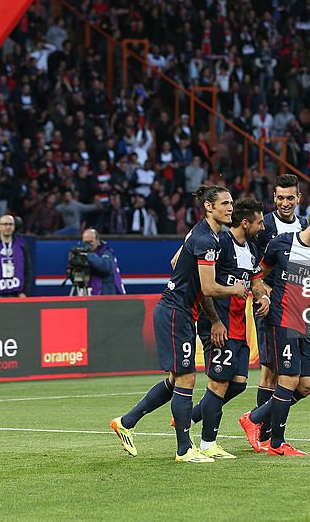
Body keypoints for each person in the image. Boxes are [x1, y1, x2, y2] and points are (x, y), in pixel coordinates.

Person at [110, 185, 249, 463]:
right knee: (186, 378)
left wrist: (199, 298)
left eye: (231, 203)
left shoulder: (204, 235)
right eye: (224, 203)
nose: (230, 208)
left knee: (176, 380)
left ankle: (126, 421)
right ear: (209, 207)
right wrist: (233, 290)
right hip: (176, 312)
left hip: (182, 311)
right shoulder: (207, 240)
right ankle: (184, 449)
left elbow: (177, 261)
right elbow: (209, 287)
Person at [239, 203, 310, 457]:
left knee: (307, 385)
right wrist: (263, 296)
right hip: (280, 318)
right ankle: (276, 443)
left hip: (304, 323)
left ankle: (253, 418)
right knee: (288, 380)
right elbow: (260, 274)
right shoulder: (282, 243)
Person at [188, 197, 267, 459]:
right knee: (219, 384)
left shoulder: (253, 249)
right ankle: (208, 444)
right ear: (245, 223)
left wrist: (263, 297)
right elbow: (204, 285)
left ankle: (188, 417)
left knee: (239, 385)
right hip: (218, 326)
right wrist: (214, 322)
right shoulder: (219, 243)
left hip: (239, 327)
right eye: (259, 223)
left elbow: (255, 282)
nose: (262, 228)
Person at [250, 173, 308, 446]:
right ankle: (263, 433)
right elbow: (255, 267)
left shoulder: (307, 226)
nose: (285, 203)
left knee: (293, 377)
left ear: (299, 198)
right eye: (280, 197)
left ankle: (261, 425)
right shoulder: (265, 226)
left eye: (290, 197)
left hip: (297, 309)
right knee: (271, 370)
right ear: (273, 198)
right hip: (269, 304)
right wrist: (265, 293)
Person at [0, 215, 32, 298]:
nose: (8, 227)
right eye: (5, 224)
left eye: (11, 224)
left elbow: (28, 269)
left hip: (18, 295)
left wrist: (25, 292)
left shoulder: (21, 244)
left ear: (14, 227)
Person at [81, 228, 126, 295]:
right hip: (90, 292)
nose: (88, 245)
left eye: (91, 242)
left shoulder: (107, 252)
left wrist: (89, 257)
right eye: (85, 242)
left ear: (97, 240)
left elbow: (106, 267)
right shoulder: (82, 254)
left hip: (108, 294)